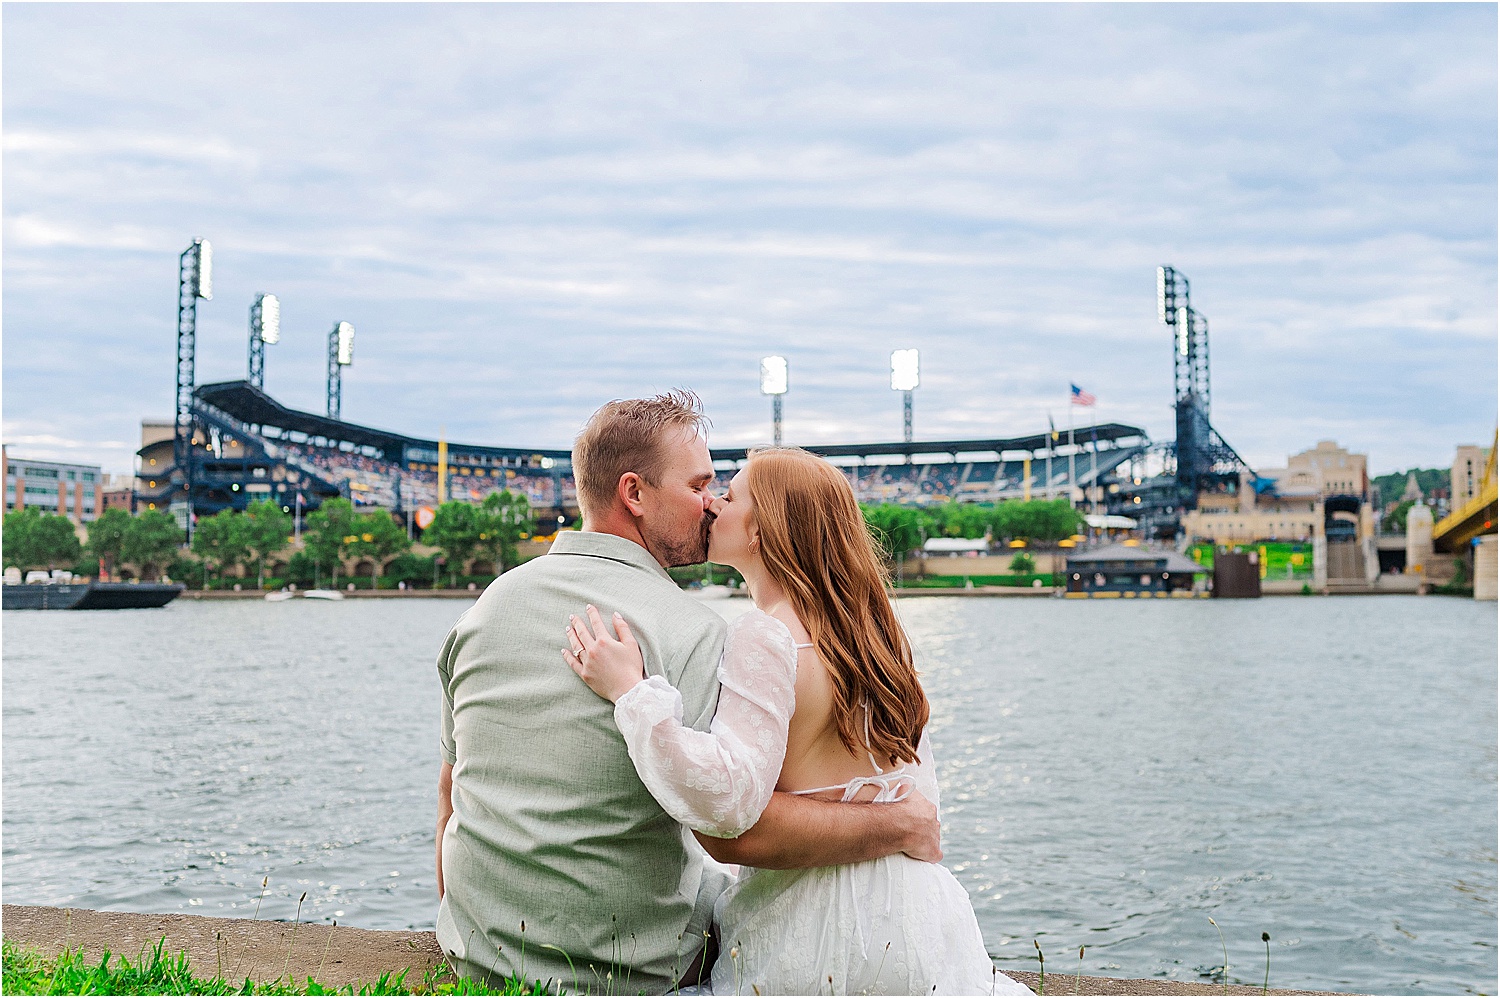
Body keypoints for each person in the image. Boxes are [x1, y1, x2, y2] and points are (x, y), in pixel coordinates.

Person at [435, 393, 942, 994]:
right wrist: (900, 825)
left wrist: (467, 928)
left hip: (477, 955)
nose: (709, 505)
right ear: (635, 495)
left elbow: (449, 787)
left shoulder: (485, 610)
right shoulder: (694, 631)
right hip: (630, 970)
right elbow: (733, 830)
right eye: (700, 485)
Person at [565, 447, 1033, 995]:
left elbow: (724, 796)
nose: (714, 503)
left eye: (731, 495)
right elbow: (913, 790)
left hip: (816, 922)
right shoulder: (875, 635)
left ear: (764, 530)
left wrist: (633, 693)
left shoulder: (765, 635)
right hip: (917, 914)